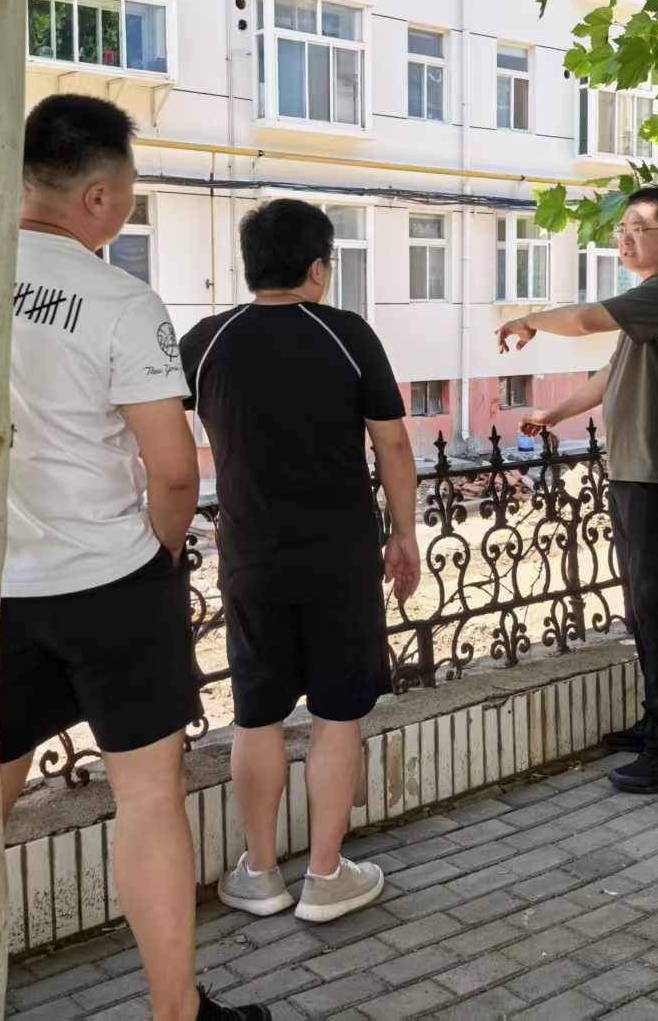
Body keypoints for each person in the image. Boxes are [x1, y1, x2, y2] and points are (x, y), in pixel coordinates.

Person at [0, 95, 264, 1021]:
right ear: (99, 196)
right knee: (148, 798)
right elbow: (174, 471)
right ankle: (174, 1011)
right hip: (111, 579)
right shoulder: (119, 300)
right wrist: (156, 559)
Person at [180, 198, 420, 924]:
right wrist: (403, 533)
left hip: (249, 558)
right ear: (318, 268)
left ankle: (258, 873)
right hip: (339, 561)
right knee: (337, 715)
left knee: (256, 715)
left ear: (249, 266)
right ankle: (324, 876)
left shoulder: (207, 341)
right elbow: (393, 443)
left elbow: (157, 437)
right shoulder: (348, 334)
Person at [498, 186, 658, 795]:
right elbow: (610, 373)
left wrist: (529, 320)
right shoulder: (651, 304)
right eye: (621, 228)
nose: (624, 238)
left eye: (638, 228)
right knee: (643, 606)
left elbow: (584, 320)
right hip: (635, 471)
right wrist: (555, 413)